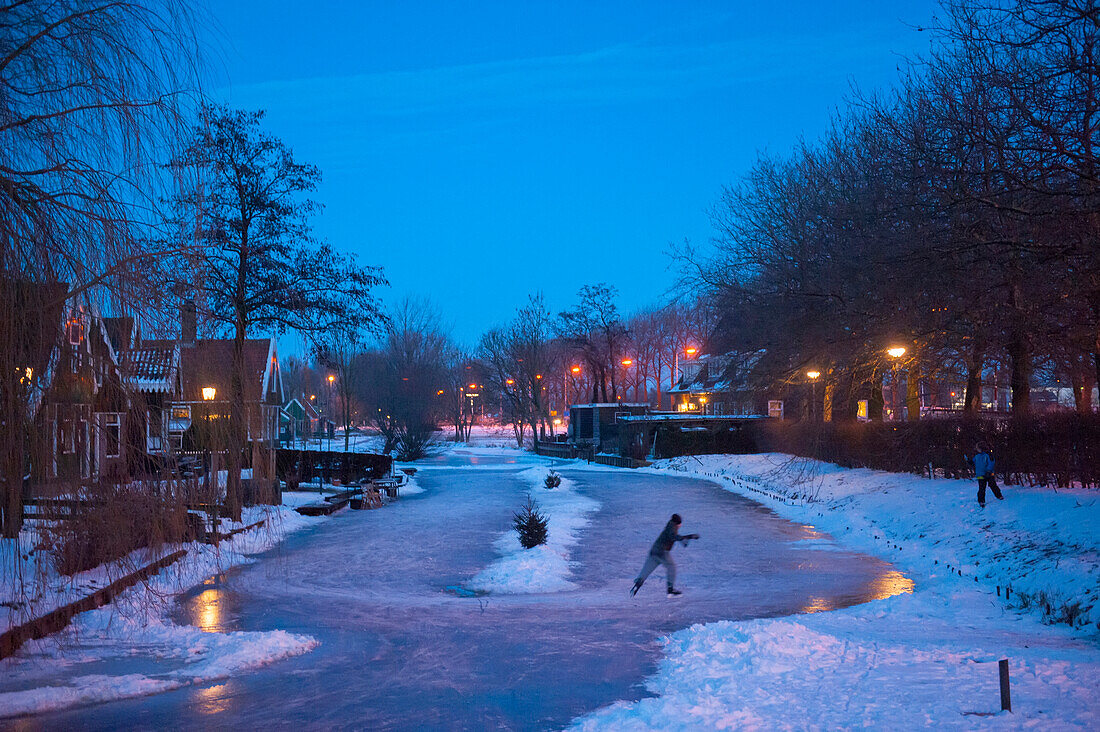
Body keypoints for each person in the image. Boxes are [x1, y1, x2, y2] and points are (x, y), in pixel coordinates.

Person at [630, 513, 699, 597]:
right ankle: (670, 589)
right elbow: (673, 536)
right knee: (671, 567)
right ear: (678, 523)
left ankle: (637, 585)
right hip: (662, 552)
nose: (680, 525)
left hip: (654, 551)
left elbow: (674, 536)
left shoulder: (670, 526)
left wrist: (684, 539)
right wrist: (689, 536)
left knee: (646, 570)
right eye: (680, 523)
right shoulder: (672, 528)